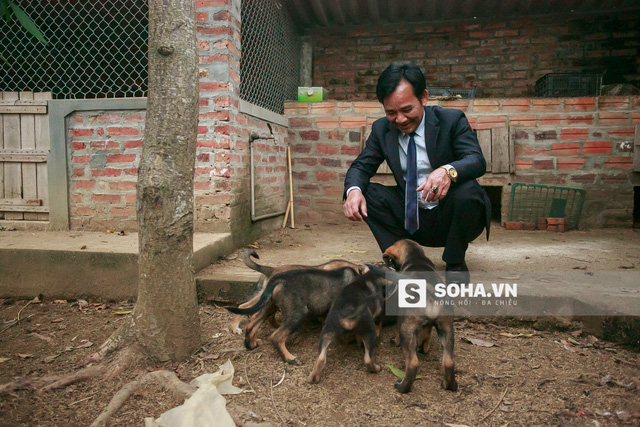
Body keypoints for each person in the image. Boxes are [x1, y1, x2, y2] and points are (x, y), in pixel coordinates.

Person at [343, 62, 490, 283]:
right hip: (410, 215)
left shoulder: (451, 120)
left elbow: (476, 160)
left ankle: (455, 261)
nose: (399, 119)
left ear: (423, 98)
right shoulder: (382, 129)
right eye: (391, 112)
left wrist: (446, 171)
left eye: (406, 110)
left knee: (469, 191)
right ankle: (401, 260)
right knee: (368, 193)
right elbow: (361, 167)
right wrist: (353, 192)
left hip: (449, 216)